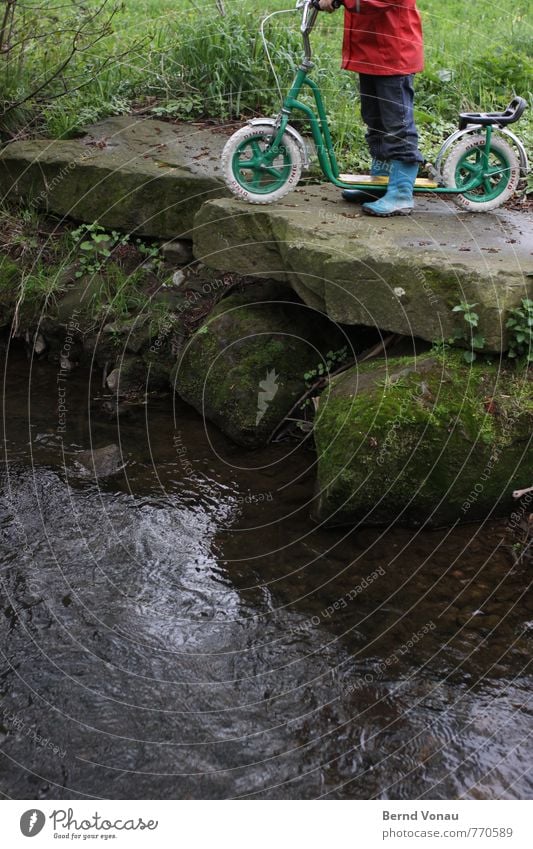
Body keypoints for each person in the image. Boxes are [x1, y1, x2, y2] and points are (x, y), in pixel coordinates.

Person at [318, 0, 424, 216]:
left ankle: (402, 194)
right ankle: (379, 183)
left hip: (393, 54)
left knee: (398, 126)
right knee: (374, 121)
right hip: (370, 50)